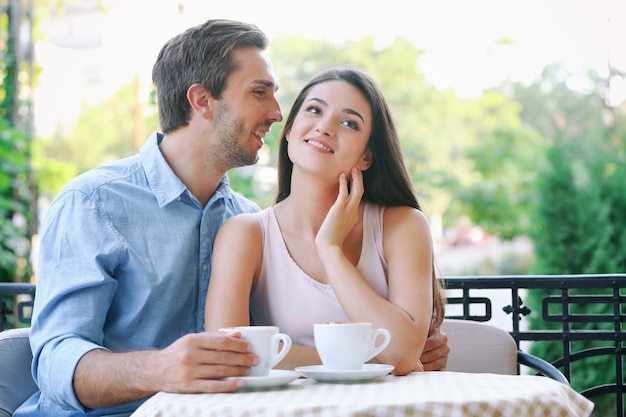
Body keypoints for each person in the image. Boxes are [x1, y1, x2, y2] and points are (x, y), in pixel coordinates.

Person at [16, 19, 448, 417]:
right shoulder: (94, 203)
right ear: (202, 100)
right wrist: (159, 369)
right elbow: (53, 361)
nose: (279, 113)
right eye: (260, 92)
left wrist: (395, 354)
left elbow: (262, 351)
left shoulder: (244, 220)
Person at [204, 66, 447, 375]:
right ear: (290, 130)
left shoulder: (402, 225)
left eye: (348, 122)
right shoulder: (246, 233)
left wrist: (330, 248)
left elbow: (399, 353)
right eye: (315, 110)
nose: (324, 127)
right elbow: (228, 356)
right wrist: (371, 360)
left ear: (366, 157)